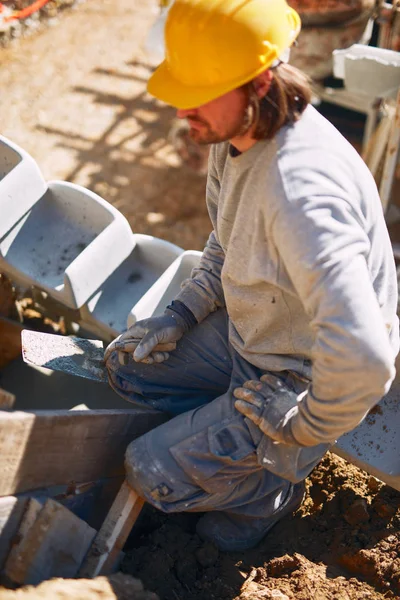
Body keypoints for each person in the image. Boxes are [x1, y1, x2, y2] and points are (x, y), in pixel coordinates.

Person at [104, 0, 399, 551]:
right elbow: (227, 238)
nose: (182, 111)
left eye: (199, 92)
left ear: (260, 81)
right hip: (252, 335)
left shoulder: (302, 195)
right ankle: (226, 439)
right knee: (127, 366)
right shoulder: (235, 132)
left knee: (149, 470)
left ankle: (267, 490)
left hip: (297, 374)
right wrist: (182, 312)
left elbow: (366, 358)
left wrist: (301, 425)